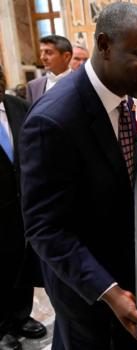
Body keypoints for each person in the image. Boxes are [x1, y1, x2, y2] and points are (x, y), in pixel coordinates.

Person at [18, 3, 137, 349]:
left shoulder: (119, 95)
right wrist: (109, 292)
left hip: (128, 274)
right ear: (104, 46)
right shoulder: (52, 121)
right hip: (89, 293)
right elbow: (45, 228)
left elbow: (104, 154)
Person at [0, 65, 46, 350]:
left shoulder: (18, 106)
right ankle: (2, 326)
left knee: (21, 261)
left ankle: (21, 316)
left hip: (23, 204)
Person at [26, 35, 72, 103]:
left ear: (66, 56)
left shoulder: (82, 82)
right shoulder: (33, 86)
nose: (42, 57)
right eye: (41, 52)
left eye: (48, 53)